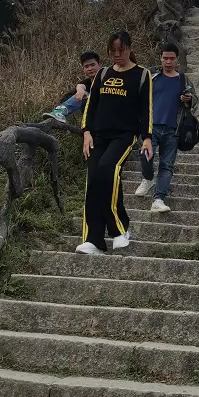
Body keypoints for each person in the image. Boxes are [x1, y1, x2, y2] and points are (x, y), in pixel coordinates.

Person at [76, 30, 153, 254]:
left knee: (108, 169)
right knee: (94, 180)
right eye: (113, 51)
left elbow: (146, 108)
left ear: (129, 48)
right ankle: (94, 239)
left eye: (121, 50)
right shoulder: (103, 74)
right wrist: (86, 131)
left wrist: (146, 137)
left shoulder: (141, 74)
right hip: (98, 135)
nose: (117, 55)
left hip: (124, 135)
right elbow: (92, 106)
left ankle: (119, 230)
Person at [135, 43, 198, 211]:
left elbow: (197, 101)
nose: (168, 62)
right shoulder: (152, 78)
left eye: (172, 58)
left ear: (177, 60)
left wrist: (189, 99)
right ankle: (148, 178)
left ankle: (158, 199)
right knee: (144, 155)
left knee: (167, 165)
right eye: (165, 58)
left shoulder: (184, 80)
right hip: (151, 128)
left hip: (173, 129)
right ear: (161, 59)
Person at [43, 51, 101, 121]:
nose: (90, 68)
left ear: (99, 65)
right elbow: (81, 86)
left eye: (92, 65)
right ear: (83, 69)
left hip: (108, 112)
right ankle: (60, 112)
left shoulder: (108, 78)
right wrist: (80, 91)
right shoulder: (86, 83)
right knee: (82, 95)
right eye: (86, 66)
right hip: (92, 118)